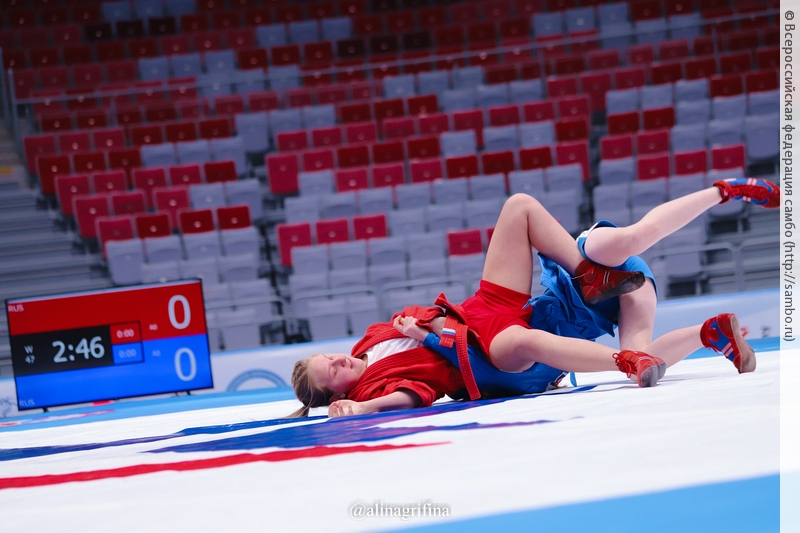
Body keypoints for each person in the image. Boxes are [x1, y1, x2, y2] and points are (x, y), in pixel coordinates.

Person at [290, 177, 779, 418]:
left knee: (599, 230)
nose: (337, 360)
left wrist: (423, 325)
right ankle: (701, 334)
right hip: (501, 331)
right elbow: (414, 394)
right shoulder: (369, 390)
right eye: (330, 372)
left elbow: (421, 314)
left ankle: (725, 190)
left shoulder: (367, 343)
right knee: (640, 357)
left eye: (328, 357)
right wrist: (366, 407)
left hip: (547, 287)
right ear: (337, 393)